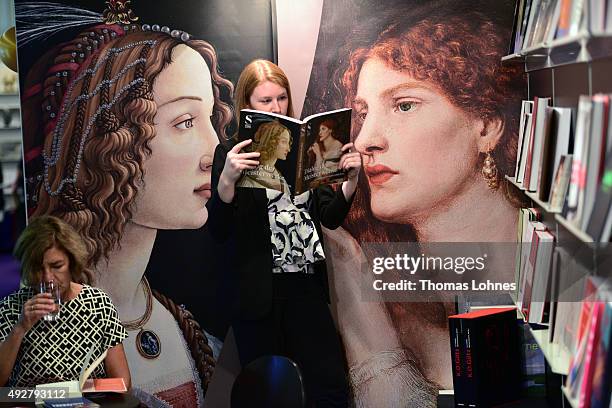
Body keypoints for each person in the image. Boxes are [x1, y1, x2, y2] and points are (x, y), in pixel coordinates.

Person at [301, 4, 525, 407]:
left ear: (487, 126)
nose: (367, 138)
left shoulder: (541, 267)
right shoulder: (384, 286)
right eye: (363, 113)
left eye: (404, 105)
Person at [18, 5, 233, 405]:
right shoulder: (52, 328)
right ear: (108, 142)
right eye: (185, 122)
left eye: (210, 117)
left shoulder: (182, 327)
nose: (214, 150)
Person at [209, 59, 362, 407]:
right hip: (258, 293)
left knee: (329, 387)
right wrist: (226, 181)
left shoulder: (308, 150)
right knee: (266, 393)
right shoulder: (230, 154)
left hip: (305, 288)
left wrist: (350, 183)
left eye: (281, 98)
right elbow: (218, 231)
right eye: (266, 101)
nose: (276, 107)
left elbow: (330, 217)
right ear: (247, 106)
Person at [0, 215, 130, 388]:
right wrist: (20, 328)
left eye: (56, 266)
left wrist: (72, 390)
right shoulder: (11, 307)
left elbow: (123, 384)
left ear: (72, 263)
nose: (47, 278)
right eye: (38, 268)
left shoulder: (98, 304)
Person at [237, 120, 292, 193]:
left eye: (288, 143)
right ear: (270, 141)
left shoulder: (279, 176)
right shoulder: (251, 177)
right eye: (284, 142)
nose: (288, 149)